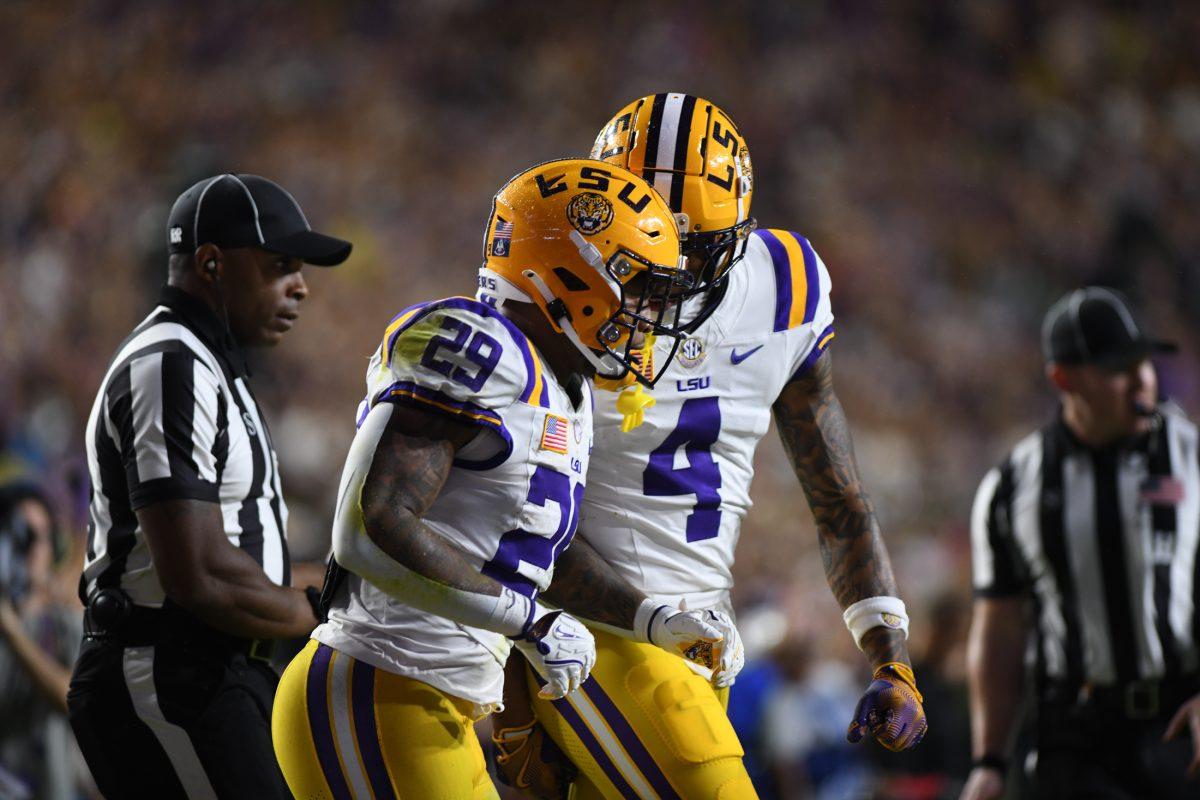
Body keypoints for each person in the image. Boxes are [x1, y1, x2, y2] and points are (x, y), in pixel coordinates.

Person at [493, 93, 926, 799]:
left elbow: (837, 494)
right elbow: (503, 510)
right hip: (587, 632)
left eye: (697, 249)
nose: (675, 273)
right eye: (649, 240)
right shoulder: (549, 294)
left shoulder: (784, 286)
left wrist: (890, 656)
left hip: (705, 641)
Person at [270, 158, 723, 799]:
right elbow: (369, 527)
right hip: (375, 684)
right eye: (639, 285)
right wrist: (529, 625)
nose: (650, 312)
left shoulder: (564, 390)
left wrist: (653, 620)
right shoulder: (477, 344)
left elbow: (538, 557)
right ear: (573, 274)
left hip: (431, 705)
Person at [69, 173, 351, 798]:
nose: (301, 286)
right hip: (168, 672)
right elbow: (198, 572)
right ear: (212, 263)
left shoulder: (211, 363)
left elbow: (237, 551)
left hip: (207, 669)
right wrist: (321, 613)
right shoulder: (170, 364)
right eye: (281, 265)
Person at [961, 287, 1200, 800]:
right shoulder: (1011, 486)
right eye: (1118, 367)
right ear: (1063, 379)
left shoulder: (1192, 457)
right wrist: (989, 761)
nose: (1142, 379)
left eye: (1143, 361)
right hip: (1075, 735)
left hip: (1182, 718)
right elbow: (999, 630)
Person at [0, 481, 89, 800]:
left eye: (43, 536)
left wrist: (12, 630)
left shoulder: (65, 623)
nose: (35, 548)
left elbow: (73, 697)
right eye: (24, 536)